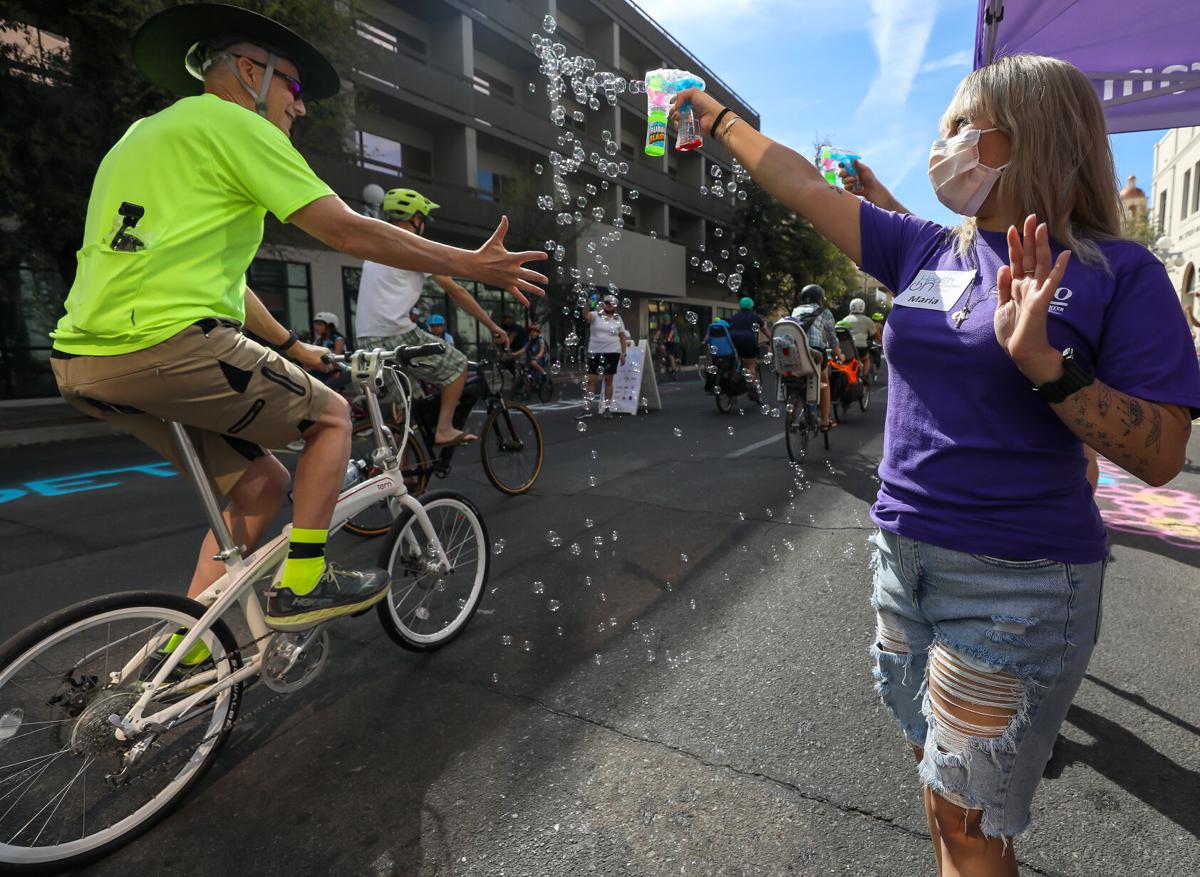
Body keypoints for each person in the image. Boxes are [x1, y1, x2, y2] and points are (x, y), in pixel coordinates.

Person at [674, 53, 1199, 875]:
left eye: (962, 127)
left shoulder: (1118, 273)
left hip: (1018, 584)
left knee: (969, 823)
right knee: (944, 798)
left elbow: (1164, 452)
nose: (943, 144)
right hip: (902, 563)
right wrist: (713, 118)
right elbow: (806, 188)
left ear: (1028, 139)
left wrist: (1049, 368)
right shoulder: (927, 247)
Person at [50, 4, 546, 633]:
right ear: (248, 71)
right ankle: (303, 582)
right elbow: (343, 228)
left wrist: (293, 346)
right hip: (168, 344)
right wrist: (474, 265)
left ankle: (192, 655)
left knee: (259, 488)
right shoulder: (236, 126)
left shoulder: (142, 135)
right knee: (333, 418)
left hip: (85, 361)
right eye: (295, 85)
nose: (300, 106)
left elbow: (223, 284)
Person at [356, 187, 511, 448]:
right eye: (423, 218)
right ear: (416, 217)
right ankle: (445, 429)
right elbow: (457, 291)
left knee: (411, 410)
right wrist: (492, 326)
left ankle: (400, 469)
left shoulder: (378, 245)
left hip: (366, 342)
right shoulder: (415, 247)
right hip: (395, 333)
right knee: (458, 365)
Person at [797, 284, 841, 430]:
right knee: (824, 381)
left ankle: (793, 413)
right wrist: (839, 354)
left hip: (797, 349)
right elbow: (832, 338)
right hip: (815, 352)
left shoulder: (796, 310)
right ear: (820, 299)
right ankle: (825, 421)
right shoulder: (825, 312)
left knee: (797, 378)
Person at [581, 294, 629, 418]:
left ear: (615, 305)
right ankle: (587, 409)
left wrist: (623, 354)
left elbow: (622, 337)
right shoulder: (595, 315)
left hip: (613, 352)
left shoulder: (618, 318)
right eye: (607, 302)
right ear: (603, 304)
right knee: (591, 380)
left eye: (611, 303)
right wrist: (587, 303)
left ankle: (607, 409)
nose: (609, 305)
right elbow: (585, 315)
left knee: (608, 380)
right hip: (594, 352)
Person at [727, 296, 770, 399]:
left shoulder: (734, 317)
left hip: (732, 341)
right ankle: (752, 388)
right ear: (751, 306)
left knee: (734, 360)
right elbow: (764, 330)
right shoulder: (754, 317)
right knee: (750, 365)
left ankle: (732, 377)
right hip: (748, 341)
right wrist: (772, 339)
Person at [843, 298, 881, 373]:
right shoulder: (867, 320)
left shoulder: (845, 319)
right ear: (863, 308)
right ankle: (863, 376)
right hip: (861, 348)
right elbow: (877, 335)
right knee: (867, 359)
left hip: (847, 349)